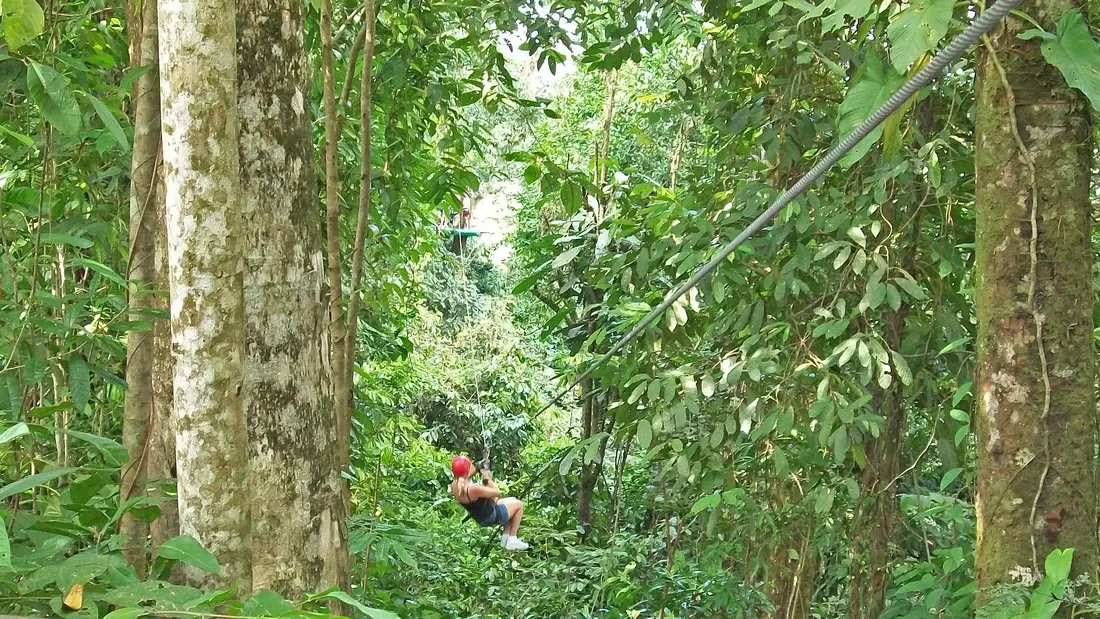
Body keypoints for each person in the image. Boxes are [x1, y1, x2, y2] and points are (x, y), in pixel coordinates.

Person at [448, 455, 529, 551]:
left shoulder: (455, 486)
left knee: (511, 500)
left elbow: (465, 477)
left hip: (481, 516)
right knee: (518, 505)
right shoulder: (473, 489)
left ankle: (505, 537)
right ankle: (512, 538)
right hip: (492, 515)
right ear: (468, 470)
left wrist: (478, 468)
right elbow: (496, 492)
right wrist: (486, 477)